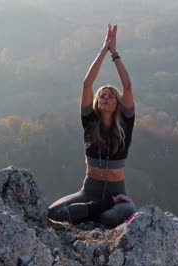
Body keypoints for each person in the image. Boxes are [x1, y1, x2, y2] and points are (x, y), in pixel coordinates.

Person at [48, 24, 136, 227]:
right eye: (102, 95)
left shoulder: (125, 124)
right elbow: (87, 84)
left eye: (111, 96)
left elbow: (128, 86)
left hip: (119, 193)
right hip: (89, 190)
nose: (106, 97)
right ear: (97, 102)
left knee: (111, 217)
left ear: (118, 104)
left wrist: (114, 53)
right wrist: (104, 49)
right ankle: (99, 206)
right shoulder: (89, 123)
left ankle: (96, 209)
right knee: (54, 213)